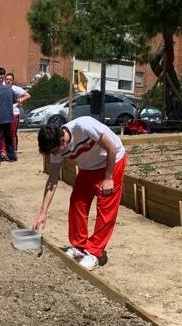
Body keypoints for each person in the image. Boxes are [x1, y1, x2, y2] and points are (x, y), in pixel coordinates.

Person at [34, 116, 127, 270]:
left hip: (112, 160)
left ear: (63, 140)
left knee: (106, 208)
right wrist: (43, 212)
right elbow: (53, 179)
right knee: (78, 202)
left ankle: (94, 252)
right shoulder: (54, 147)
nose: (55, 154)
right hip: (89, 167)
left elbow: (111, 148)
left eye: (55, 151)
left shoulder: (84, 127)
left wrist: (108, 178)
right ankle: (79, 246)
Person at [4, 72, 30, 156]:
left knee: (12, 133)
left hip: (14, 113)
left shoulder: (16, 89)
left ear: (13, 81)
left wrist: (19, 101)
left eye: (10, 80)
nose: (8, 81)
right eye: (7, 79)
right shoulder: (2, 88)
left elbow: (27, 95)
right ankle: (4, 151)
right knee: (4, 133)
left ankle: (14, 151)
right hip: (4, 113)